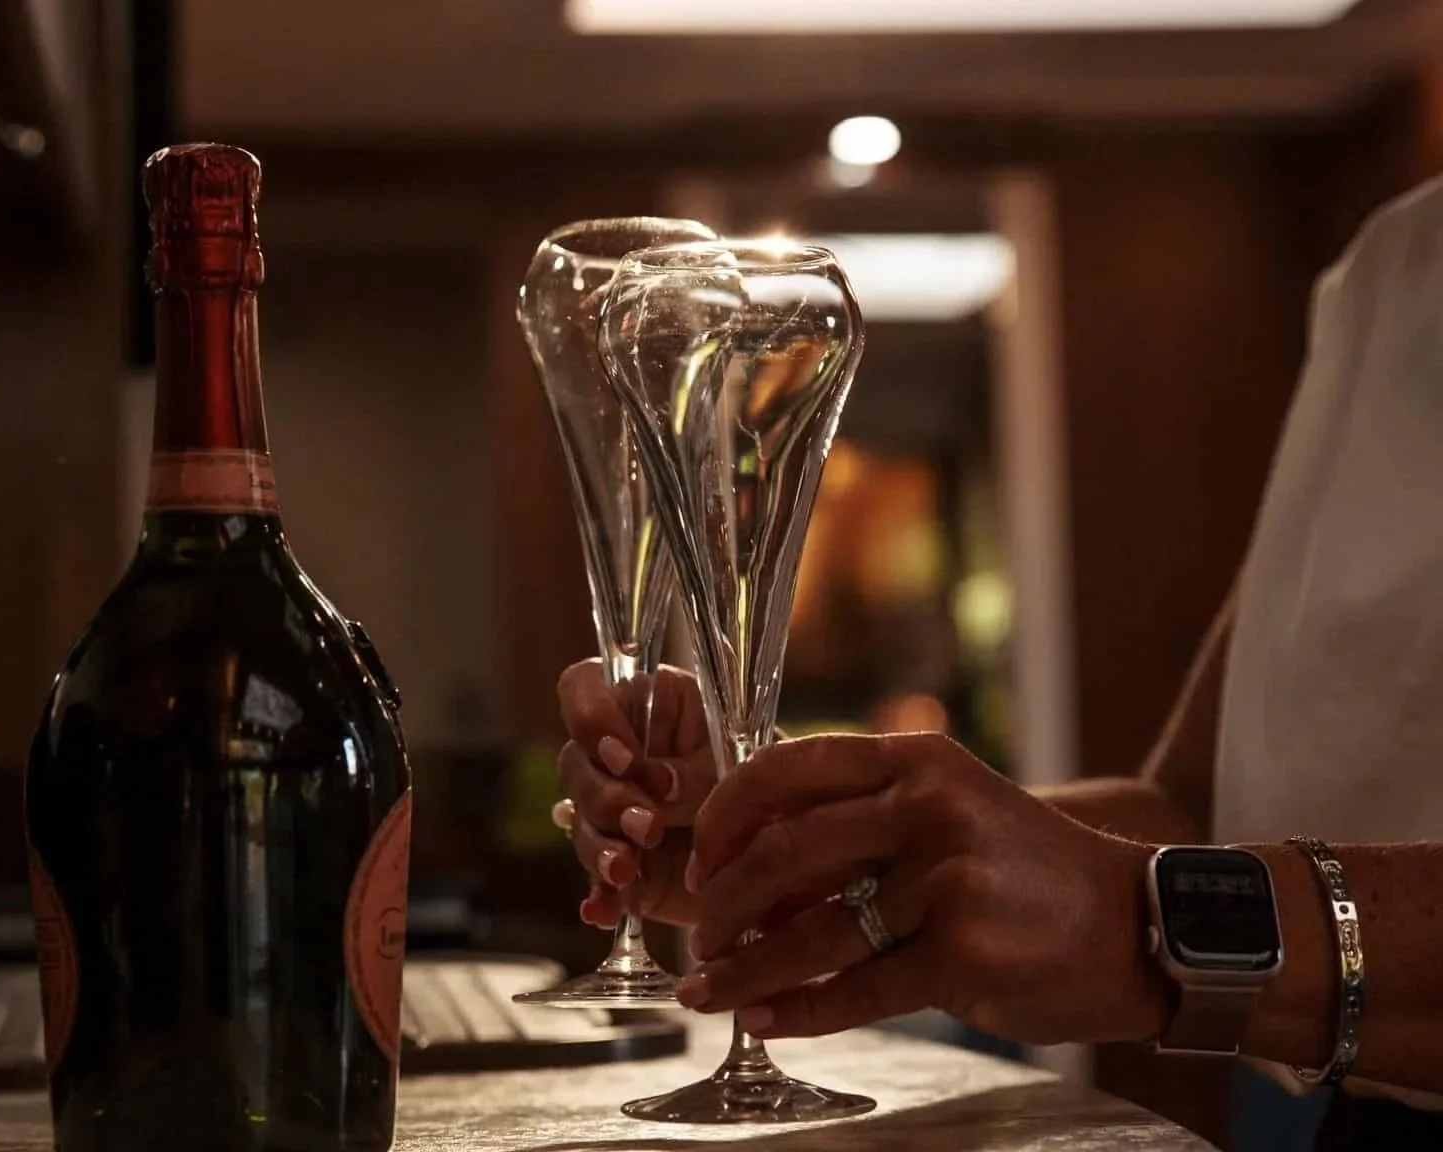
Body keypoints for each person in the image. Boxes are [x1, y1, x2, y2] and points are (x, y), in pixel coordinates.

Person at [551, 172, 1443, 1147]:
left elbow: (1154, 891)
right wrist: (833, 855)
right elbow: (1201, 816)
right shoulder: (1393, 265)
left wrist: (1143, 927)